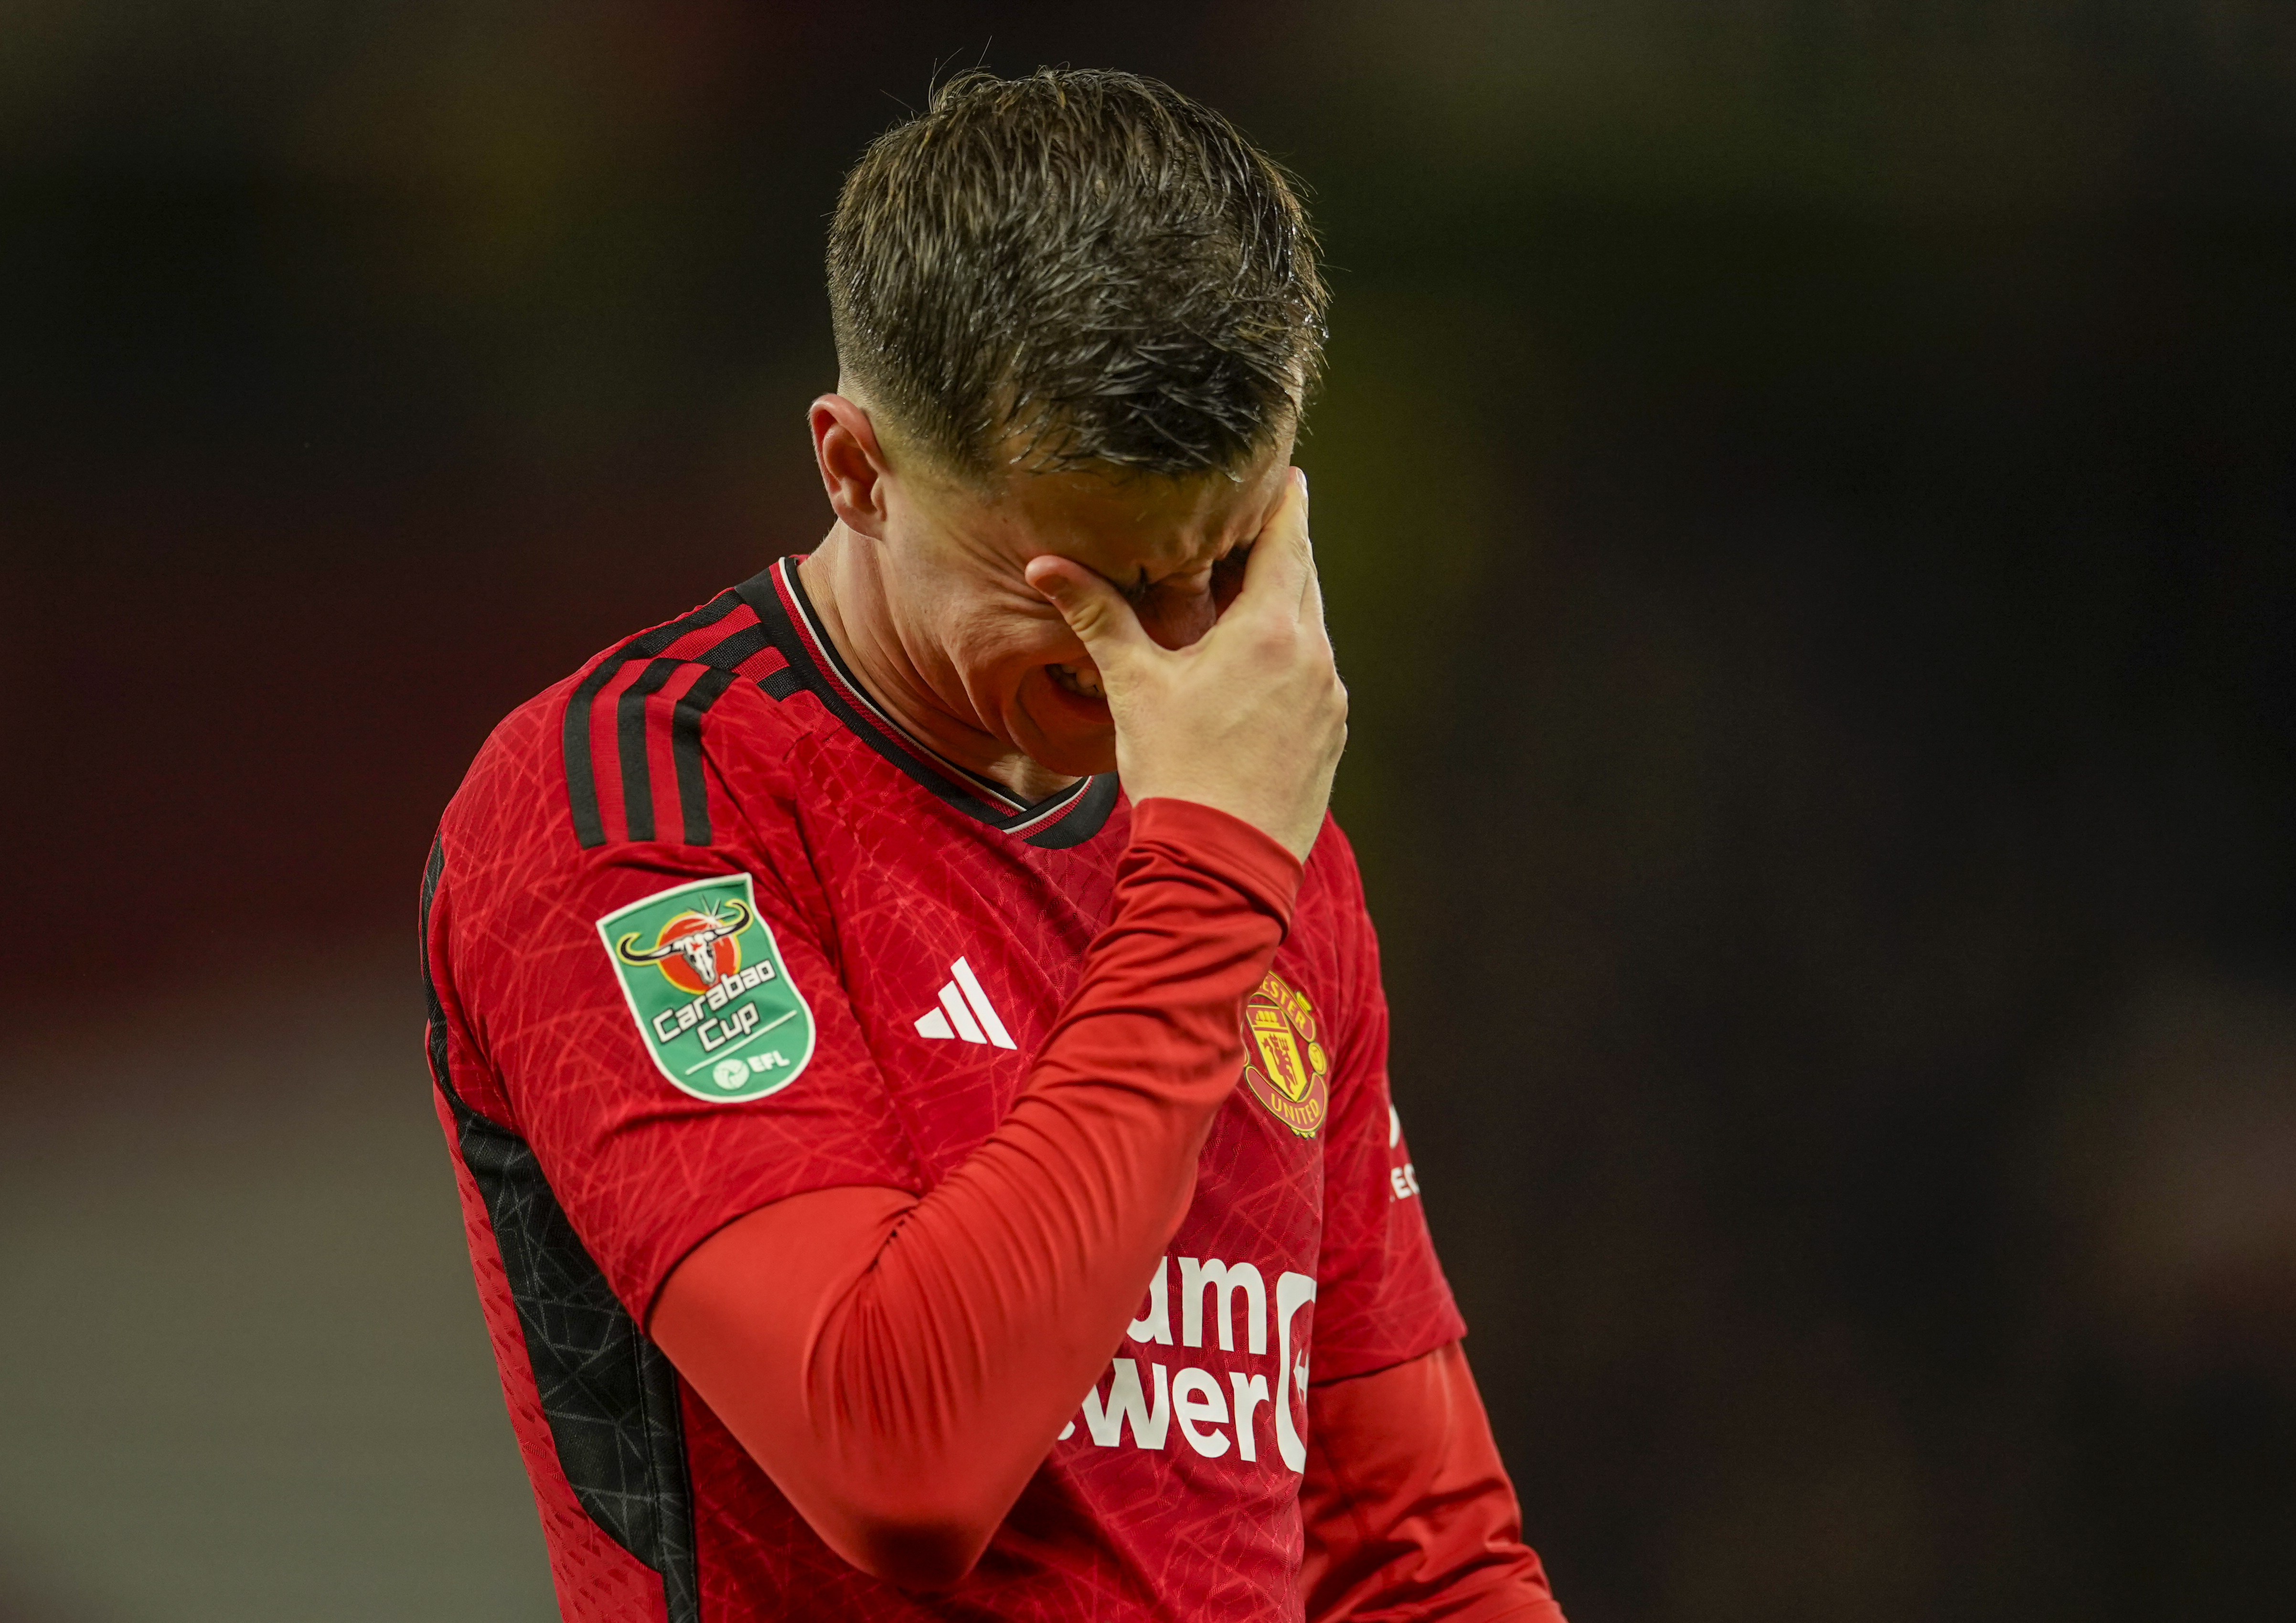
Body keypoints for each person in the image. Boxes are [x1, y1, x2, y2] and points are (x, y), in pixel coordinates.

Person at [419, 67, 1564, 1623]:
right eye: (1080, 586)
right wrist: (1211, 876)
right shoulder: (637, 802)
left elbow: (1410, 1553)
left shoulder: (1263, 851)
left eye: (1219, 567)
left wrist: (1226, 864)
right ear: (855, 469)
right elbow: (899, 1458)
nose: (1165, 658)